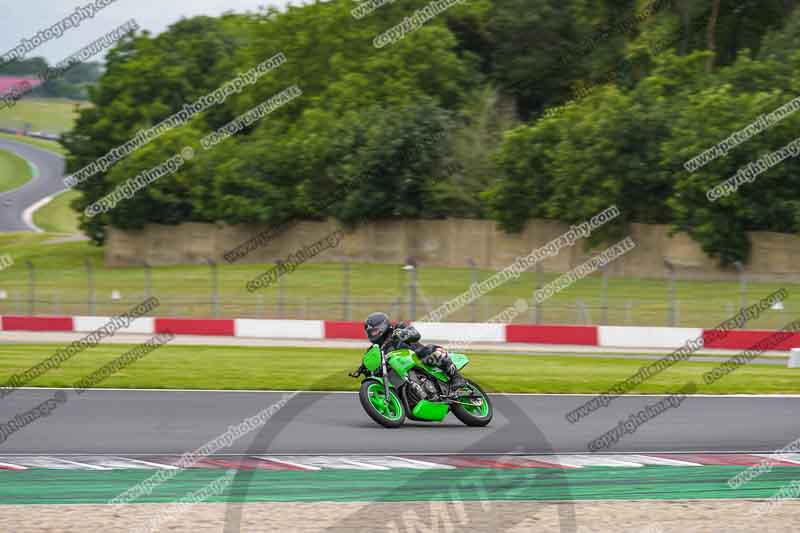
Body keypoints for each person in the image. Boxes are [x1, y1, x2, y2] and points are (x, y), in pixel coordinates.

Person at [363, 312, 466, 389]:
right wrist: (363, 367)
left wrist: (403, 333)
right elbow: (371, 361)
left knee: (427, 351)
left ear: (383, 326)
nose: (372, 334)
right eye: (370, 332)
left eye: (374, 331)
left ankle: (456, 376)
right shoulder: (377, 349)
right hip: (403, 370)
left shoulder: (398, 328)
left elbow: (416, 335)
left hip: (418, 357)